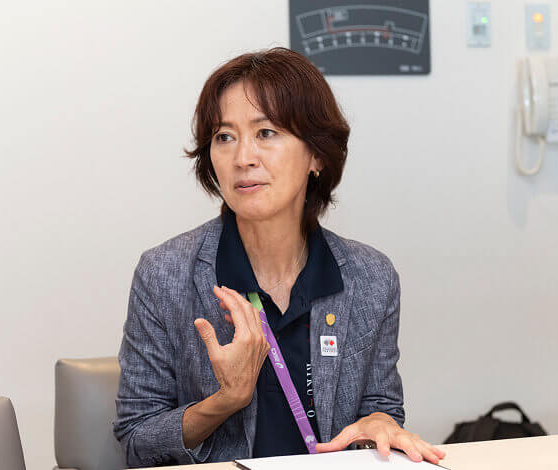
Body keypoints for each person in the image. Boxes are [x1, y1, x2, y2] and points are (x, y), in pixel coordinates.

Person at [113, 47, 445, 468]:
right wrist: (227, 399)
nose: (243, 158)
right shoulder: (165, 274)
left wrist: (379, 424)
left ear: (317, 155)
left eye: (266, 132)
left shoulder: (370, 277)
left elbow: (381, 408)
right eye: (224, 137)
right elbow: (136, 441)